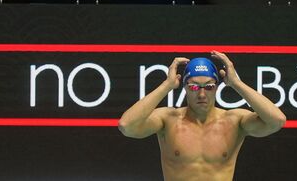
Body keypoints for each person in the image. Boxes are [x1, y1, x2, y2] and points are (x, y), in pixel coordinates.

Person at [118, 51, 287, 181]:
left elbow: (276, 120)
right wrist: (167, 85)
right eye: (193, 87)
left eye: (209, 86)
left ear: (217, 87)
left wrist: (237, 83)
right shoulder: (168, 120)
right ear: (184, 87)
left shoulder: (235, 121)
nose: (201, 94)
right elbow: (127, 125)